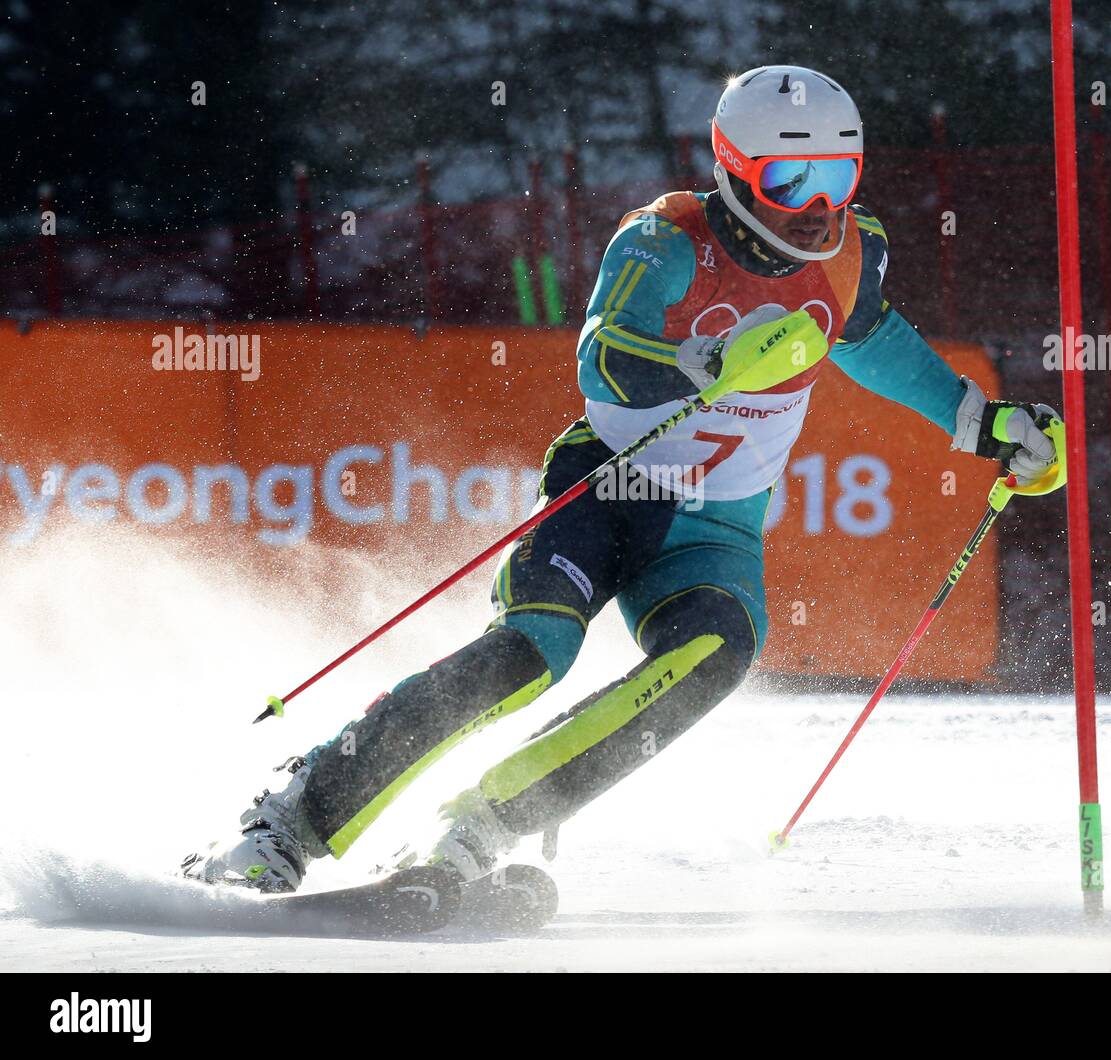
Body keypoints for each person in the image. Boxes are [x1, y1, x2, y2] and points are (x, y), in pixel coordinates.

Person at [184, 65, 1058, 893]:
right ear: (736, 170)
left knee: (715, 652)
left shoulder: (853, 252)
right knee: (530, 657)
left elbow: (872, 341)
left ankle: (483, 826)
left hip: (716, 527)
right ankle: (290, 823)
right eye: (792, 179)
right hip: (608, 489)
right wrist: (706, 361)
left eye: (839, 175)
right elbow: (602, 357)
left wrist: (984, 424)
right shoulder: (664, 240)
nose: (818, 206)